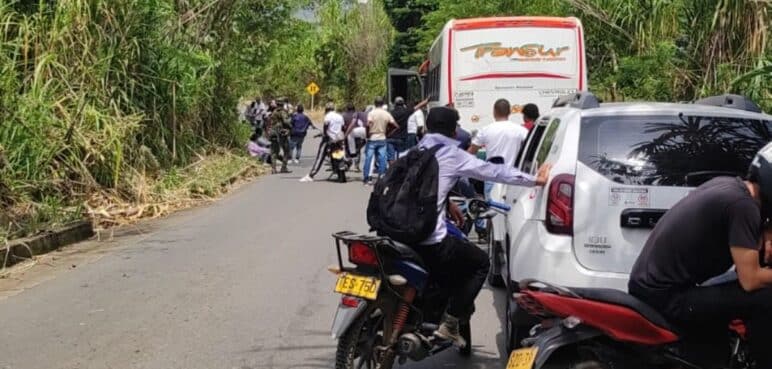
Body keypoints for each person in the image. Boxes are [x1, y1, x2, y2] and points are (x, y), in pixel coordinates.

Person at [413, 106, 550, 346]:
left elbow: (417, 189)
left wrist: (445, 204)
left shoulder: (413, 151)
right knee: (480, 263)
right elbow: (493, 171)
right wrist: (536, 180)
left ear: (427, 127)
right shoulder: (451, 154)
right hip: (430, 239)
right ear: (455, 131)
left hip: (399, 232)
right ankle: (451, 322)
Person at [629, 143, 772, 367]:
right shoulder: (743, 207)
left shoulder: (730, 186)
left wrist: (765, 229)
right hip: (666, 296)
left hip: (651, 285)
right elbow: (751, 280)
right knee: (765, 297)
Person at [468, 99, 529, 198]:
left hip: (492, 177)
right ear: (509, 112)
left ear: (494, 112)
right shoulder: (521, 130)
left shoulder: (485, 130)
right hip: (513, 177)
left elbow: (472, 151)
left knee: (493, 210)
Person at [299, 103, 346, 183]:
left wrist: (325, 135)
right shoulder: (340, 116)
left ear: (327, 109)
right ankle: (340, 175)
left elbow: (325, 128)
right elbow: (343, 128)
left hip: (329, 139)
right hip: (338, 139)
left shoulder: (328, 116)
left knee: (320, 157)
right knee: (338, 157)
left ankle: (311, 175)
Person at [363, 97, 399, 185]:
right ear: (382, 104)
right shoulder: (386, 114)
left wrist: (368, 134)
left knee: (368, 158)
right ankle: (381, 177)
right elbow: (396, 126)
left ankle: (367, 178)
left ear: (374, 104)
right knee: (382, 159)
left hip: (372, 138)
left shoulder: (371, 113)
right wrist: (388, 133)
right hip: (382, 138)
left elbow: (368, 125)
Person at [266, 98, 292, 174]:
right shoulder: (282, 112)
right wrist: (291, 126)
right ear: (283, 104)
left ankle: (273, 169)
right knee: (287, 151)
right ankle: (283, 167)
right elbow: (285, 121)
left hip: (273, 132)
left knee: (274, 152)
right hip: (281, 134)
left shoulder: (273, 112)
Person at [387, 96, 412, 161]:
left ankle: (392, 170)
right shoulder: (406, 112)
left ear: (395, 104)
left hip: (391, 138)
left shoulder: (391, 113)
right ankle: (399, 169)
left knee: (391, 157)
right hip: (402, 138)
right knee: (401, 157)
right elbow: (417, 107)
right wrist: (426, 101)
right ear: (403, 104)